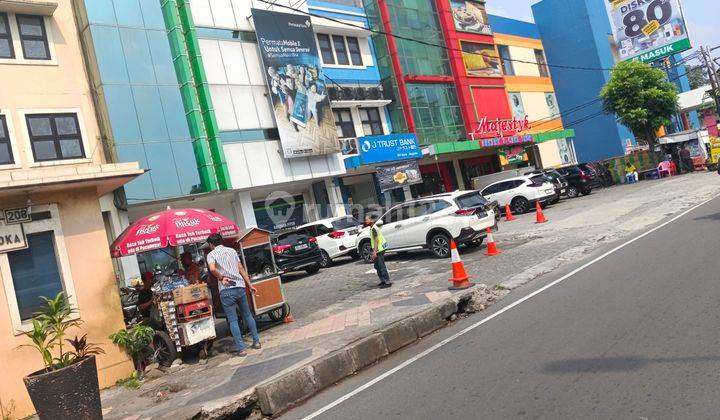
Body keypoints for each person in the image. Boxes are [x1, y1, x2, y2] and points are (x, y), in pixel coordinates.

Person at [206, 234, 260, 356]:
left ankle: (242, 349)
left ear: (211, 244)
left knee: (233, 320)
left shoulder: (211, 254)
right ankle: (256, 342)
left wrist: (221, 278)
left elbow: (212, 269)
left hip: (226, 290)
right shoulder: (231, 251)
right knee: (247, 314)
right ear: (221, 241)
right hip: (240, 286)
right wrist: (250, 285)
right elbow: (240, 268)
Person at [366, 215, 391, 288]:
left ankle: (387, 282)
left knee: (381, 266)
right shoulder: (372, 228)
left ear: (371, 220)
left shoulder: (374, 228)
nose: (366, 221)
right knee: (377, 266)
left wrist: (374, 252)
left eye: (367, 219)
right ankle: (383, 280)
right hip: (378, 249)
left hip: (379, 249)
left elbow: (376, 240)